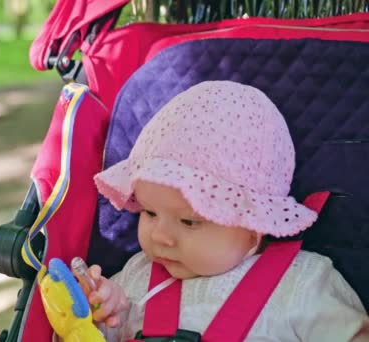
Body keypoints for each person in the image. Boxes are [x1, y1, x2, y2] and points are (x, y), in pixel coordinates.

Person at [84, 81, 369, 341]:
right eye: (149, 212)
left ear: (253, 225)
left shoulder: (303, 283)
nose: (160, 236)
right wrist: (99, 311)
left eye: (189, 221)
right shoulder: (136, 276)